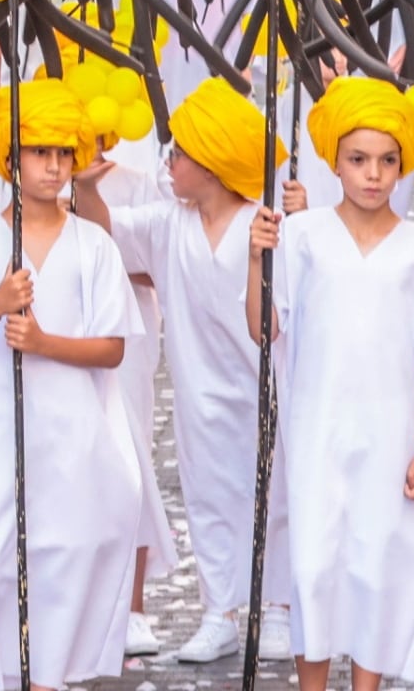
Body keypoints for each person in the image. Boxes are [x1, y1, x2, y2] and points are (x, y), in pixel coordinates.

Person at [248, 78, 414, 691]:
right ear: (335, 163)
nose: (373, 174)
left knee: (376, 563)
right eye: (358, 160)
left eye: (387, 161)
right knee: (314, 564)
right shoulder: (302, 235)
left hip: (390, 432)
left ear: (402, 166)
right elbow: (264, 328)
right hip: (317, 428)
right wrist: (255, 259)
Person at [69, 79, 296, 665]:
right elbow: (104, 232)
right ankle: (220, 609)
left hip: (263, 388)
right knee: (209, 495)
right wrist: (83, 185)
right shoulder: (169, 221)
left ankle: (276, 607)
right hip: (200, 395)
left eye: (181, 153)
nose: (169, 163)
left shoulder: (264, 223)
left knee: (275, 495)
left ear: (216, 164)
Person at [0, 79, 143, 691]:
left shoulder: (94, 245)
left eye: (62, 153)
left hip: (72, 432)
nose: (53, 166)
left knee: (61, 560)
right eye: (38, 152)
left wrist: (45, 343)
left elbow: (113, 348)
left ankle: (46, 679)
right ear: (10, 158)